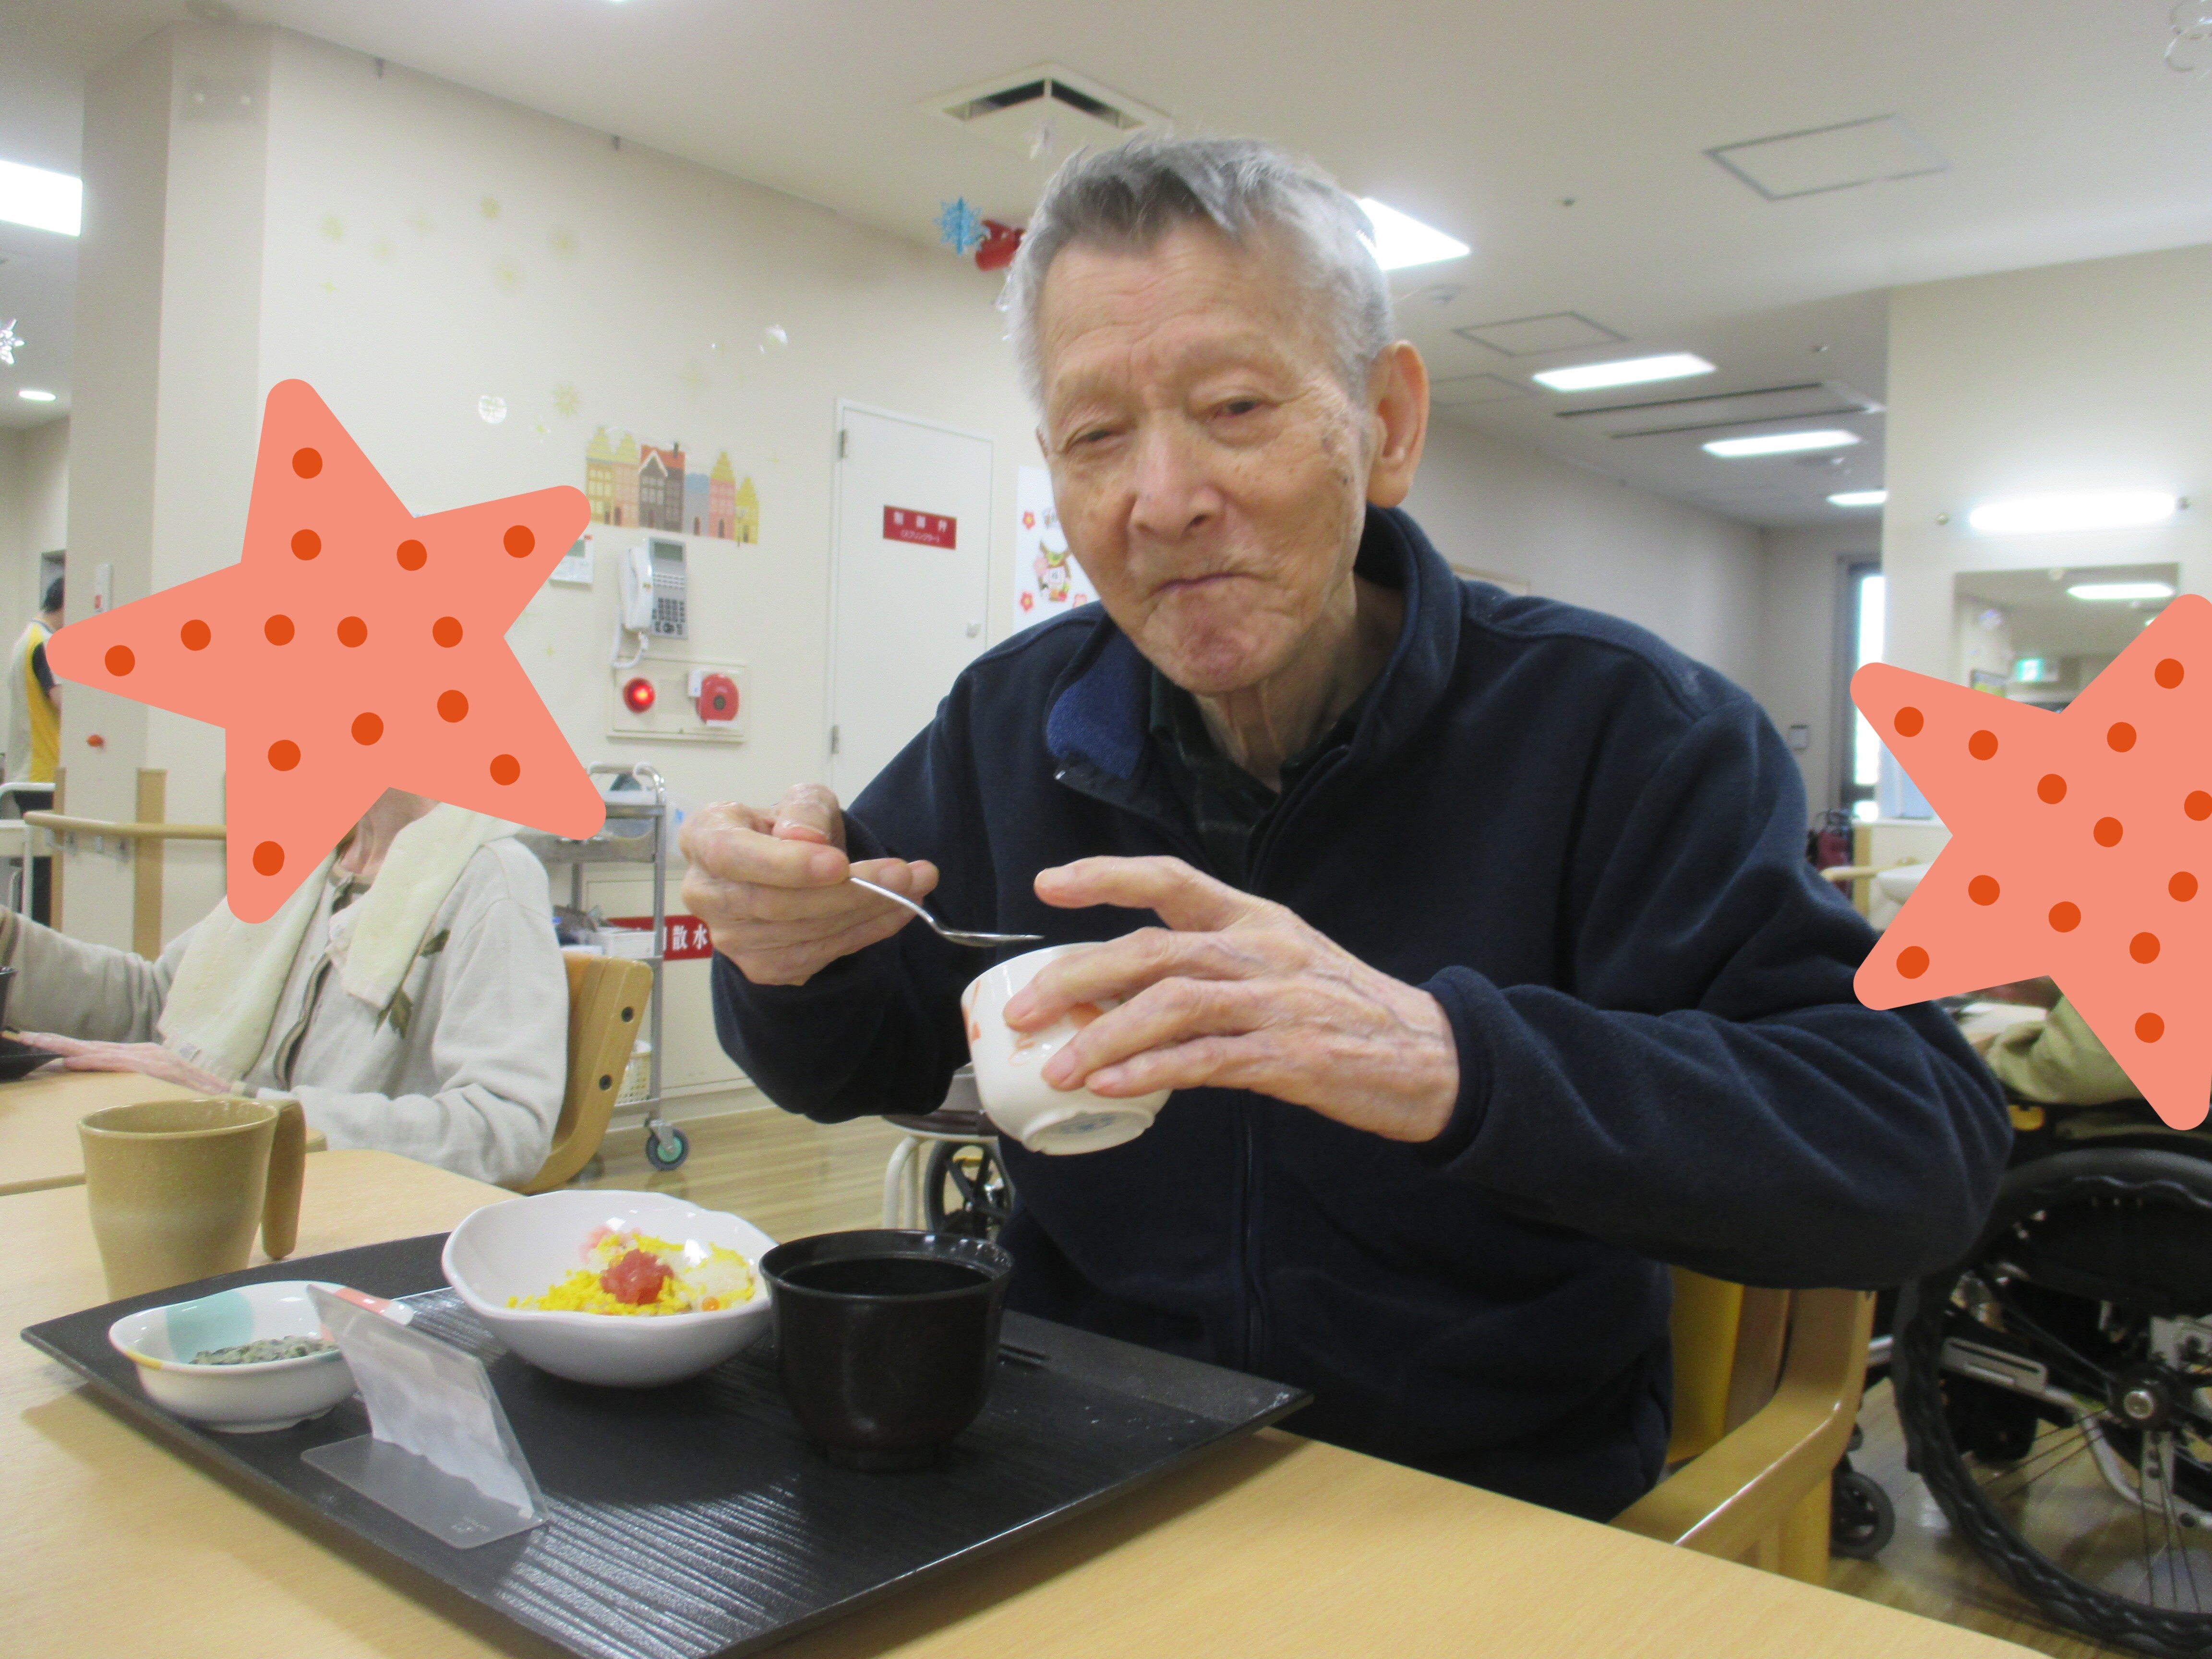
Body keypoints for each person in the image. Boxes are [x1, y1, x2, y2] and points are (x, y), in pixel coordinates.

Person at [683, 137, 2010, 1519]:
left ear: (1388, 424)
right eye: (1095, 437)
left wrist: (1449, 1062)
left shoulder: (1626, 731)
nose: (1161, 499)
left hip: (1482, 1501)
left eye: (1235, 406)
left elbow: (1916, 1147)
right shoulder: (1018, 717)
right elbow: (852, 1056)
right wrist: (786, 957)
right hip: (1085, 1465)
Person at [12, 789, 568, 1186]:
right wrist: (8, 942)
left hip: (346, 1223)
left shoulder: (493, 877)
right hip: (226, 1185)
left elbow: (504, 1128)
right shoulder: (305, 855)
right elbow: (158, 1005)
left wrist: (241, 1110)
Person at [7, 574, 61, 787]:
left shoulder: (27, 639)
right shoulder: (47, 643)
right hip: (43, 772)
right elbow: (64, 704)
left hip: (26, 770)